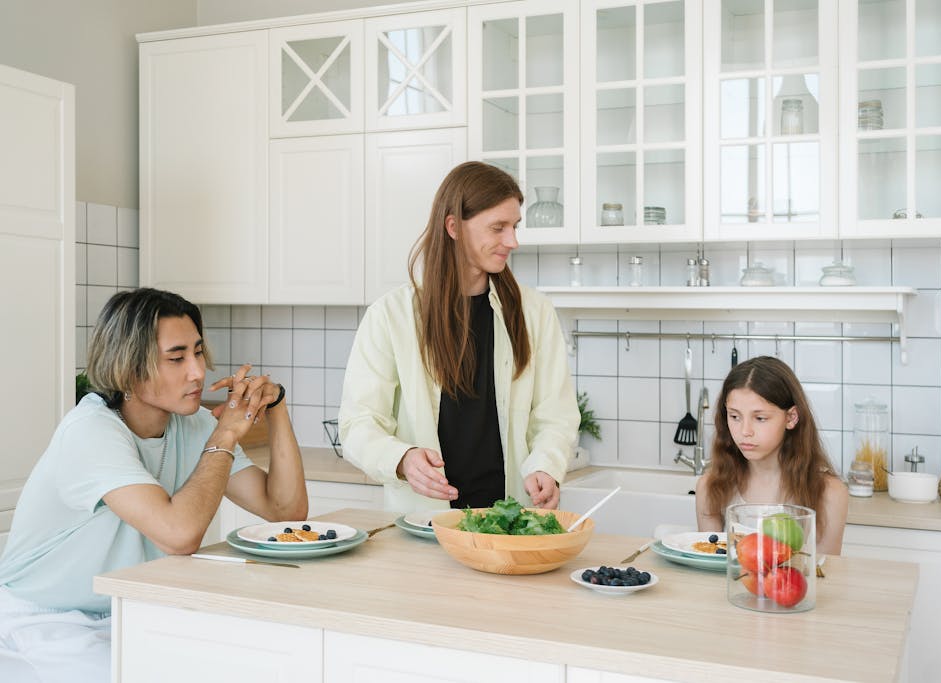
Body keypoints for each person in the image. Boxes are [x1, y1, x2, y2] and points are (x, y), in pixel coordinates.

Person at [0, 288, 308, 682]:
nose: (197, 371)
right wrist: (226, 435)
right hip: (46, 618)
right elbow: (179, 535)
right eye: (176, 358)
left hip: (132, 607)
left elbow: (285, 512)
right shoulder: (90, 432)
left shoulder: (190, 424)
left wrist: (276, 406)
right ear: (129, 368)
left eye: (197, 352)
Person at [339, 161, 579, 514]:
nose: (512, 241)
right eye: (498, 228)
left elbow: (555, 416)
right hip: (425, 524)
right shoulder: (390, 316)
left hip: (510, 520)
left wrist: (545, 465)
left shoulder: (535, 313)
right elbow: (359, 424)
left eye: (514, 227)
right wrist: (402, 458)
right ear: (453, 226)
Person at [695, 356, 848, 555]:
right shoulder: (709, 488)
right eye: (734, 416)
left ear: (791, 417)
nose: (745, 431)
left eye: (760, 418)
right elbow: (710, 568)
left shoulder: (829, 493)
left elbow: (824, 575)